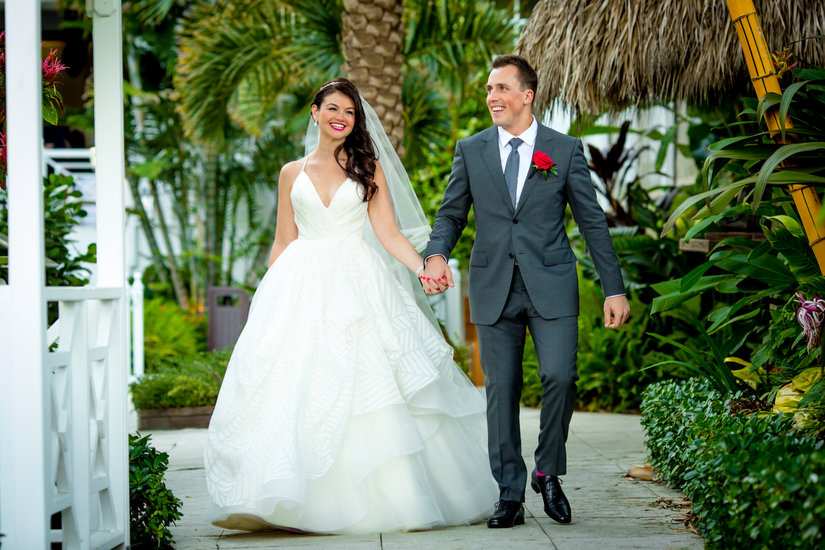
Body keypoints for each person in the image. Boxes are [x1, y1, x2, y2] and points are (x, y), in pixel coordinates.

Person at [204, 78, 497, 535]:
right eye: (333, 108)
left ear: (356, 121)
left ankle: (389, 499)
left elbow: (390, 234)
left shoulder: (368, 167)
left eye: (351, 112)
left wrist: (425, 268)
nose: (341, 117)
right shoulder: (290, 172)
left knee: (368, 379)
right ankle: (279, 501)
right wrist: (266, 299)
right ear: (315, 112)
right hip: (299, 284)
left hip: (359, 282)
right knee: (295, 382)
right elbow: (284, 240)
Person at [421, 55, 630, 528]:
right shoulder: (470, 150)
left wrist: (614, 289)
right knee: (501, 391)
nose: (492, 96)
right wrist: (436, 254)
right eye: (489, 89)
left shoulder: (564, 149)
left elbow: (592, 223)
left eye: (500, 88)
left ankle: (548, 472)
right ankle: (509, 493)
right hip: (494, 284)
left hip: (552, 284)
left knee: (560, 378)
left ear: (526, 95)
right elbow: (452, 214)